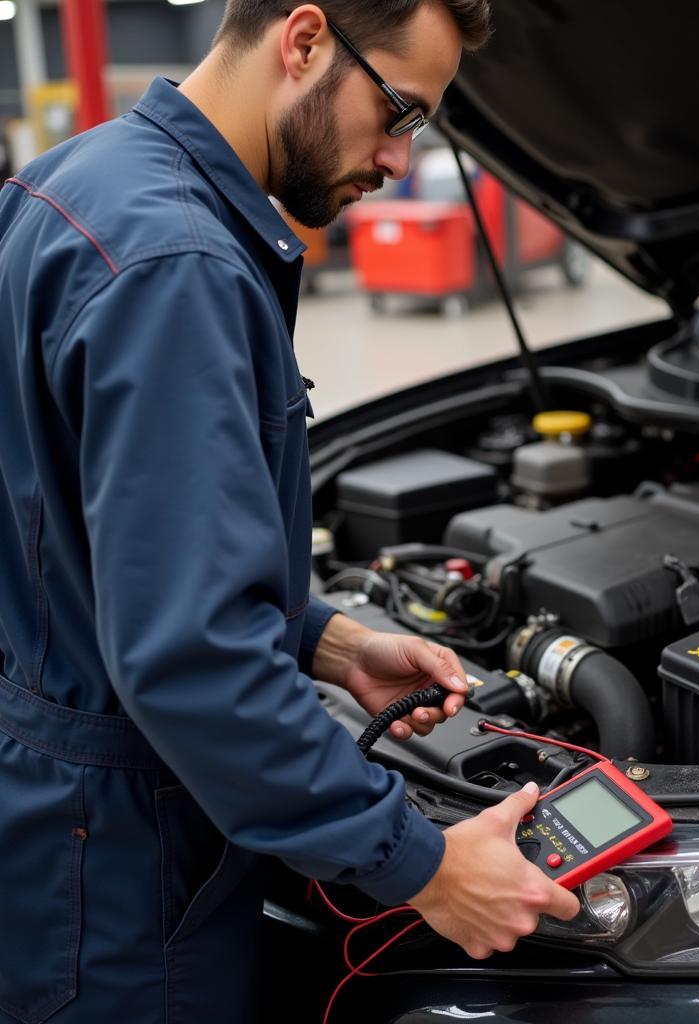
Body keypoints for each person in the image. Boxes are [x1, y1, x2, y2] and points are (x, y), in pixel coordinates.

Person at [0, 3, 579, 1022]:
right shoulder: (181, 267)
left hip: (51, 809)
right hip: (125, 863)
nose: (399, 158)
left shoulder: (74, 182)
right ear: (304, 40)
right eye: (397, 109)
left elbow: (70, 522)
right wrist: (425, 865)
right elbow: (196, 660)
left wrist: (323, 636)